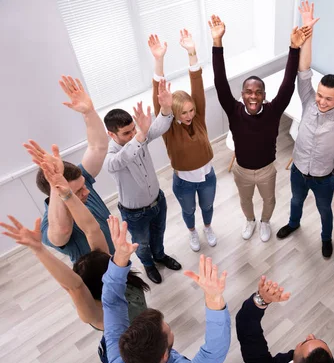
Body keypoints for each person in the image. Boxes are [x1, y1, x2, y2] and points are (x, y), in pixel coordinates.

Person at [0, 153, 149, 363]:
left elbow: (90, 228)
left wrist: (66, 192)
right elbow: (75, 287)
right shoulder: (99, 312)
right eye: (112, 264)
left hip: (144, 332)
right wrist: (38, 249)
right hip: (128, 352)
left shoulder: (113, 272)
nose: (115, 264)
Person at [209, 14, 317, 242]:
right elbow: (219, 81)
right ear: (242, 95)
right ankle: (250, 221)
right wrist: (217, 43)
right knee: (245, 201)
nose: (253, 96)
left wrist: (293, 48)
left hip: (267, 170)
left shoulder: (273, 111)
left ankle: (265, 222)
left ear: (264, 95)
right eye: (249, 91)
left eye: (258, 92)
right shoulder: (233, 110)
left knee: (270, 201)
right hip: (242, 170)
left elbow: (288, 83)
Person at [102, 215, 231, 363]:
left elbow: (111, 304)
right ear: (164, 355)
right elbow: (213, 352)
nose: (170, 328)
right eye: (169, 330)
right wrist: (213, 298)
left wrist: (120, 258)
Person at [276, 1, 334, 258]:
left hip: (324, 178)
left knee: (325, 211)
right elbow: (304, 69)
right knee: (295, 201)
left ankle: (326, 240)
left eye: (329, 98)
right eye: (321, 96)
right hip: (298, 170)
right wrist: (307, 30)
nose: (322, 101)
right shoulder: (308, 99)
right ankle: (294, 224)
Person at [24, 75, 111, 263]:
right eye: (78, 191)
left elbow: (98, 147)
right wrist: (57, 182)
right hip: (98, 280)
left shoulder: (82, 181)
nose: (86, 190)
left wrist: (89, 113)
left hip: (118, 259)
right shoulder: (50, 224)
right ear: (56, 191)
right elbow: (62, 232)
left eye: (83, 185)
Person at [104, 81, 181, 284]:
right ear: (111, 134)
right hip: (135, 213)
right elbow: (124, 157)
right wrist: (139, 135)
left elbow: (158, 127)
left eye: (133, 129)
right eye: (126, 133)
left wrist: (165, 108)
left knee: (159, 234)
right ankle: (148, 265)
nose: (132, 135)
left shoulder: (138, 136)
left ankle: (161, 256)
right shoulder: (111, 157)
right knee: (142, 244)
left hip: (158, 201)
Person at [148, 29, 217, 252]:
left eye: (191, 110)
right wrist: (159, 60)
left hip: (207, 176)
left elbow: (196, 84)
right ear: (174, 113)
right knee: (188, 211)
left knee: (207, 206)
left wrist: (192, 52)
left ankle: (207, 227)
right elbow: (159, 102)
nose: (188, 115)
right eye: (183, 112)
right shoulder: (168, 127)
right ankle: (193, 232)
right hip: (184, 182)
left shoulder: (198, 118)